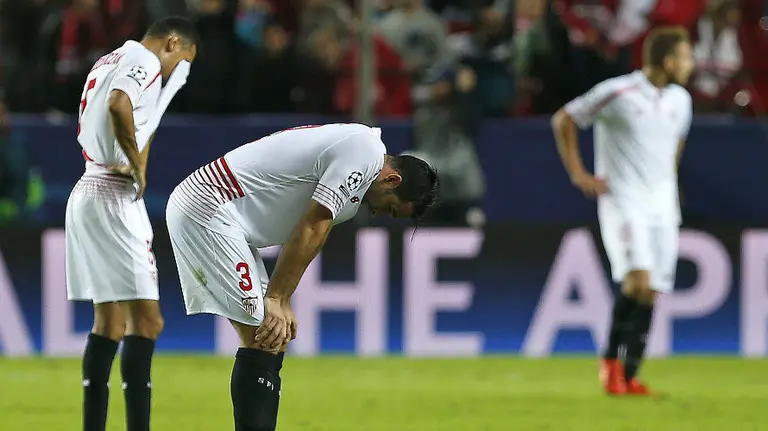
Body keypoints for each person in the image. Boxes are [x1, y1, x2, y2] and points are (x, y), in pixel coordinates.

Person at [166, 123, 439, 431]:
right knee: (262, 336)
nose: (379, 213)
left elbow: (312, 236)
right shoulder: (364, 152)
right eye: (390, 209)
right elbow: (314, 224)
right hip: (208, 209)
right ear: (392, 180)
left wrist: (281, 298)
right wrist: (277, 298)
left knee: (273, 337)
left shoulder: (358, 171)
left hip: (229, 224)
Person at [64, 17, 198, 431]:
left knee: (110, 323)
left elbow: (131, 116)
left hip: (88, 187)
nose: (179, 72)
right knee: (147, 321)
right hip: (112, 196)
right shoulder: (145, 59)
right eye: (183, 62)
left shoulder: (113, 56)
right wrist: (136, 163)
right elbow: (119, 105)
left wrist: (138, 156)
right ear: (172, 43)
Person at [550, 26, 694, 396]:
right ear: (668, 60)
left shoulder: (681, 100)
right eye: (686, 56)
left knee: (652, 291)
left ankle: (630, 376)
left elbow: (674, 147)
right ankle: (610, 365)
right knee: (638, 283)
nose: (690, 64)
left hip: (663, 205)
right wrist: (579, 173)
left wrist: (668, 183)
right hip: (624, 200)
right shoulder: (618, 92)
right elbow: (564, 119)